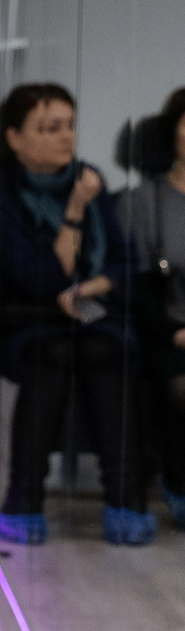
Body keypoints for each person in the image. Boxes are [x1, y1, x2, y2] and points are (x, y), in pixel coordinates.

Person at [0, 83, 151, 546]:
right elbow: (41, 278)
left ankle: (124, 499)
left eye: (69, 126)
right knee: (50, 354)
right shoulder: (0, 193)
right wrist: (75, 209)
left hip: (92, 310)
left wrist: (96, 285)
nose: (65, 137)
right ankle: (24, 498)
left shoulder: (89, 176)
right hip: (28, 317)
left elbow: (123, 259)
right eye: (48, 127)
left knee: (109, 350)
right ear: (15, 137)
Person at [120, 87, 185, 529]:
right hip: (167, 332)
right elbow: (137, 287)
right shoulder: (142, 203)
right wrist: (174, 332)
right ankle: (178, 483)